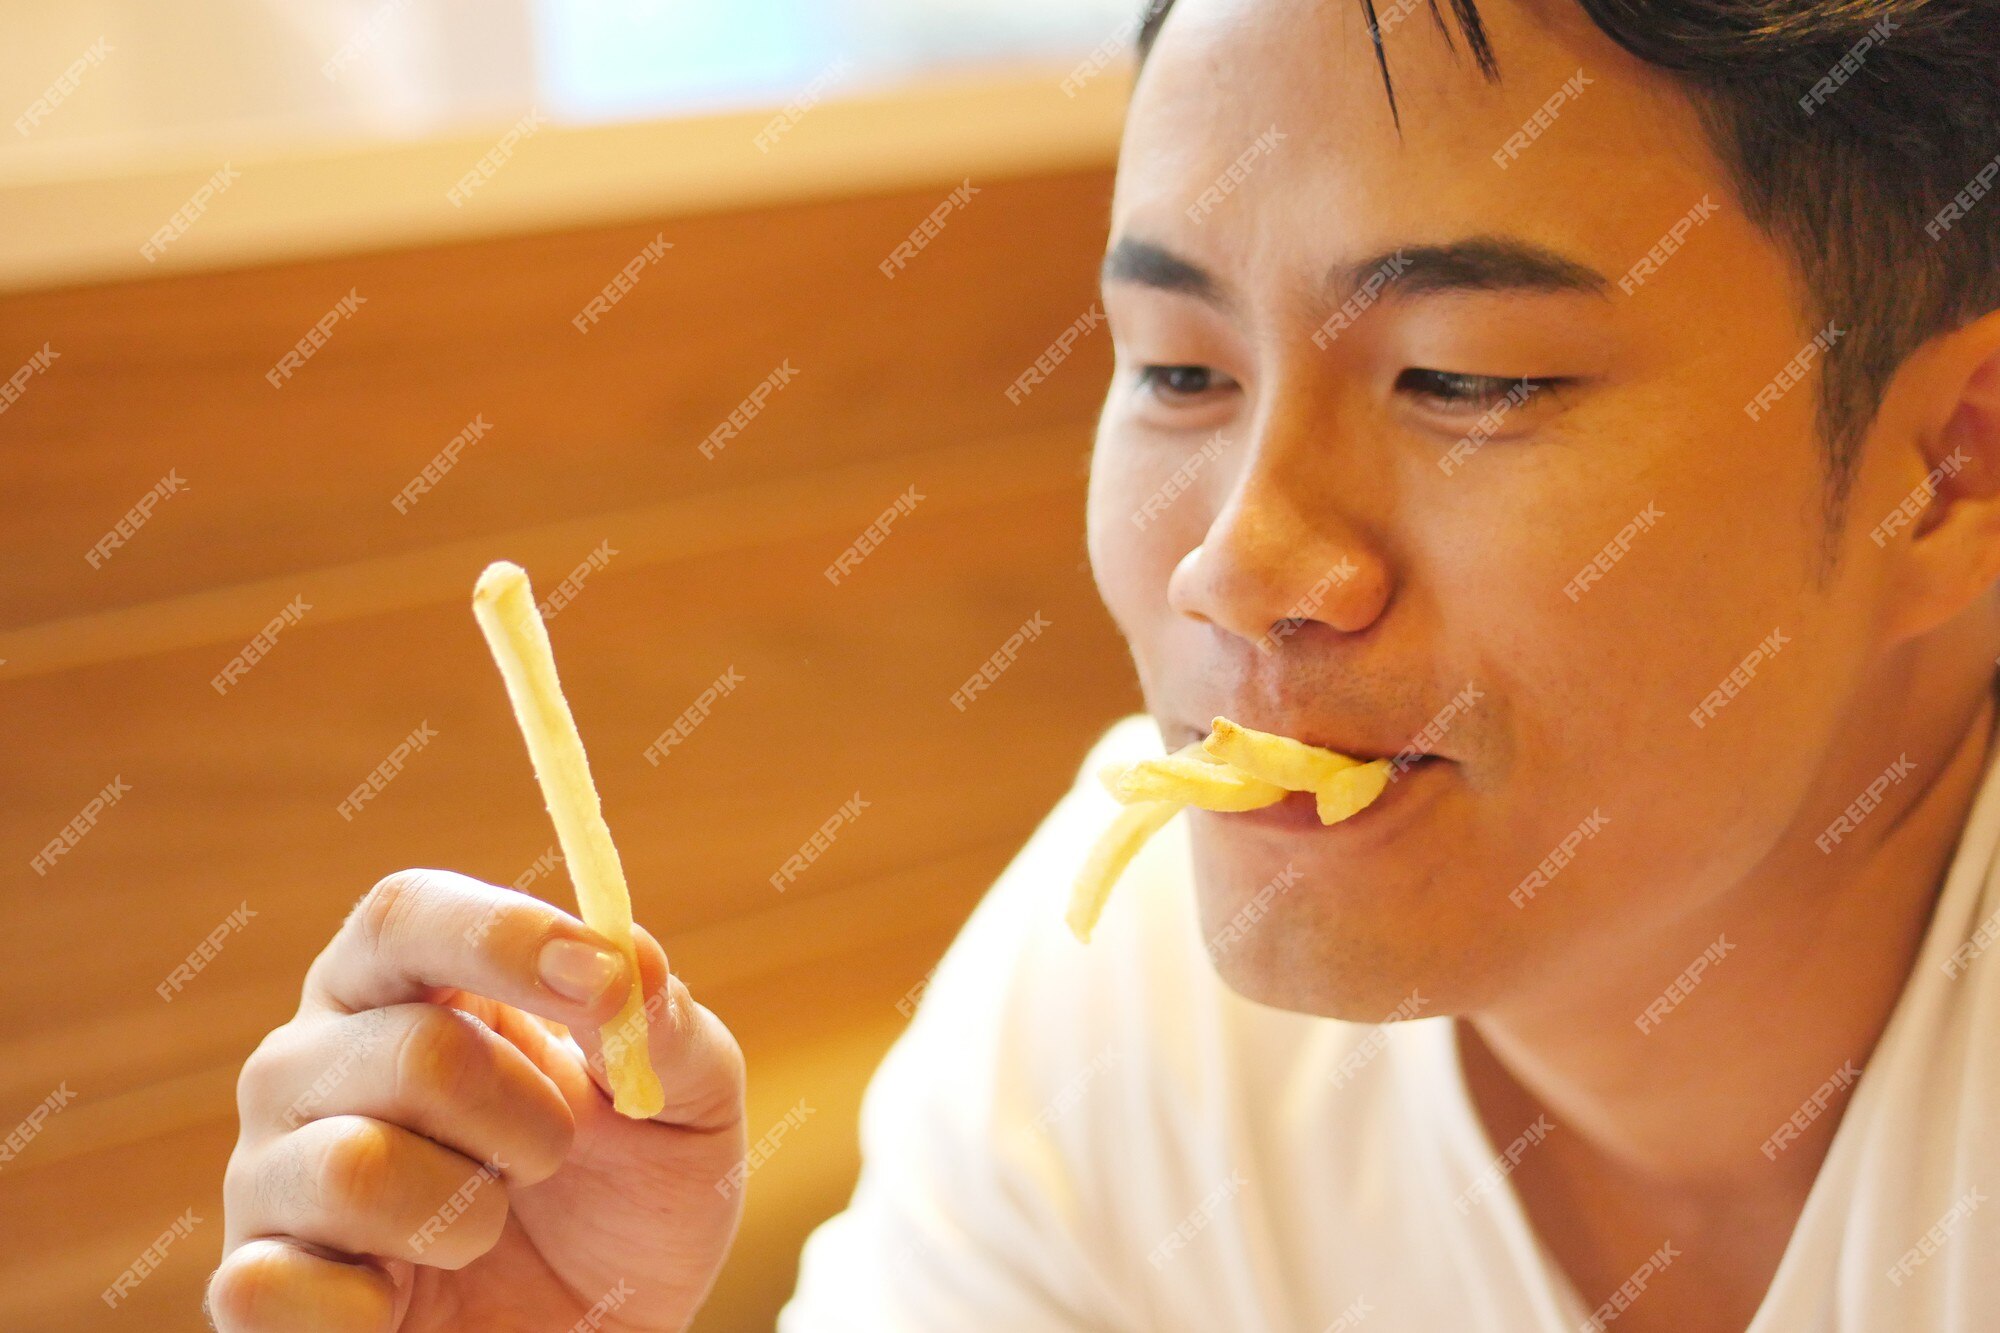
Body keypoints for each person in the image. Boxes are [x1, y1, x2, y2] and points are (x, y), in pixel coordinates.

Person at [207, 0, 2000, 1328]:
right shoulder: (1131, 1001)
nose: (1241, 558)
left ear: (1955, 466)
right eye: (1177, 371)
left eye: (1465, 378)